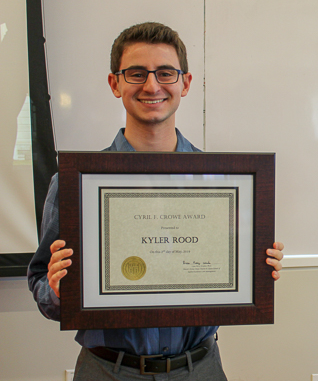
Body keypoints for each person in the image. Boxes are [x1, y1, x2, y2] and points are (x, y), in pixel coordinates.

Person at [27, 22, 284, 381]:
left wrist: (257, 266)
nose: (152, 85)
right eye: (136, 73)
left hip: (200, 369)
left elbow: (228, 278)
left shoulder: (225, 184)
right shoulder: (76, 185)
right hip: (106, 371)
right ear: (115, 83)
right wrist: (56, 290)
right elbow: (40, 281)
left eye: (165, 73)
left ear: (185, 83)